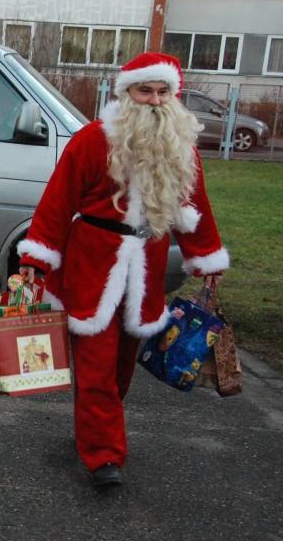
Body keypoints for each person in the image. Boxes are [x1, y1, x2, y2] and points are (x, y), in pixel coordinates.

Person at [16, 52, 229, 489]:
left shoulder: (180, 146)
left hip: (145, 268)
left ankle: (96, 427)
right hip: (92, 265)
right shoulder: (93, 140)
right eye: (144, 90)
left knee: (120, 369)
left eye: (162, 91)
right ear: (126, 93)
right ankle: (103, 456)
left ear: (174, 96)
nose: (153, 100)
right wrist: (36, 260)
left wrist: (205, 257)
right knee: (95, 366)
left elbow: (194, 205)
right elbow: (58, 201)